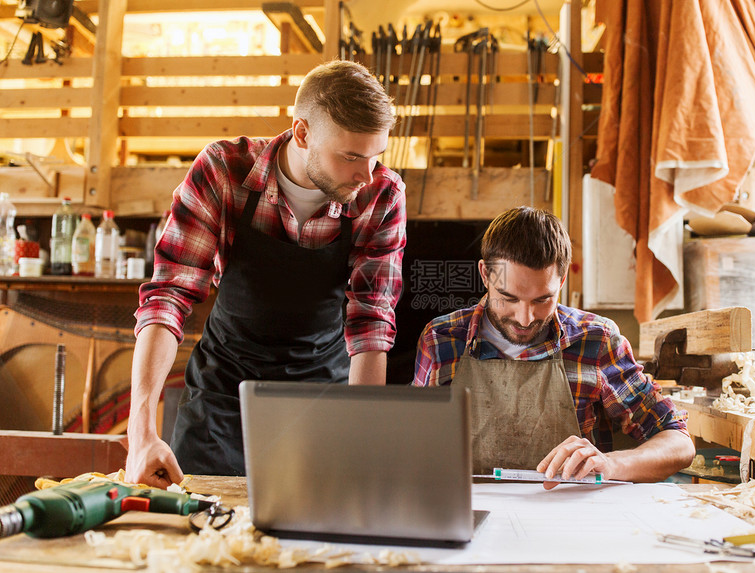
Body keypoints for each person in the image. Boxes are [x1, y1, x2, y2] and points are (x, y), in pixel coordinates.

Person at [126, 60, 406, 487]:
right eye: (351, 155)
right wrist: (141, 428)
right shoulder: (223, 171)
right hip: (222, 399)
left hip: (323, 398)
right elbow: (168, 297)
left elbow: (370, 320)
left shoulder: (381, 195)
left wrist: (361, 433)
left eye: (375, 156)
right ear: (302, 132)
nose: (365, 175)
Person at [413, 207, 694, 485]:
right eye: (508, 298)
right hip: (468, 516)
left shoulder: (596, 341)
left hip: (569, 521)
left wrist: (611, 464)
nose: (525, 319)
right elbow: (412, 447)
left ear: (561, 280)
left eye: (542, 300)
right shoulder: (442, 340)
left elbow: (679, 442)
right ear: (486, 275)